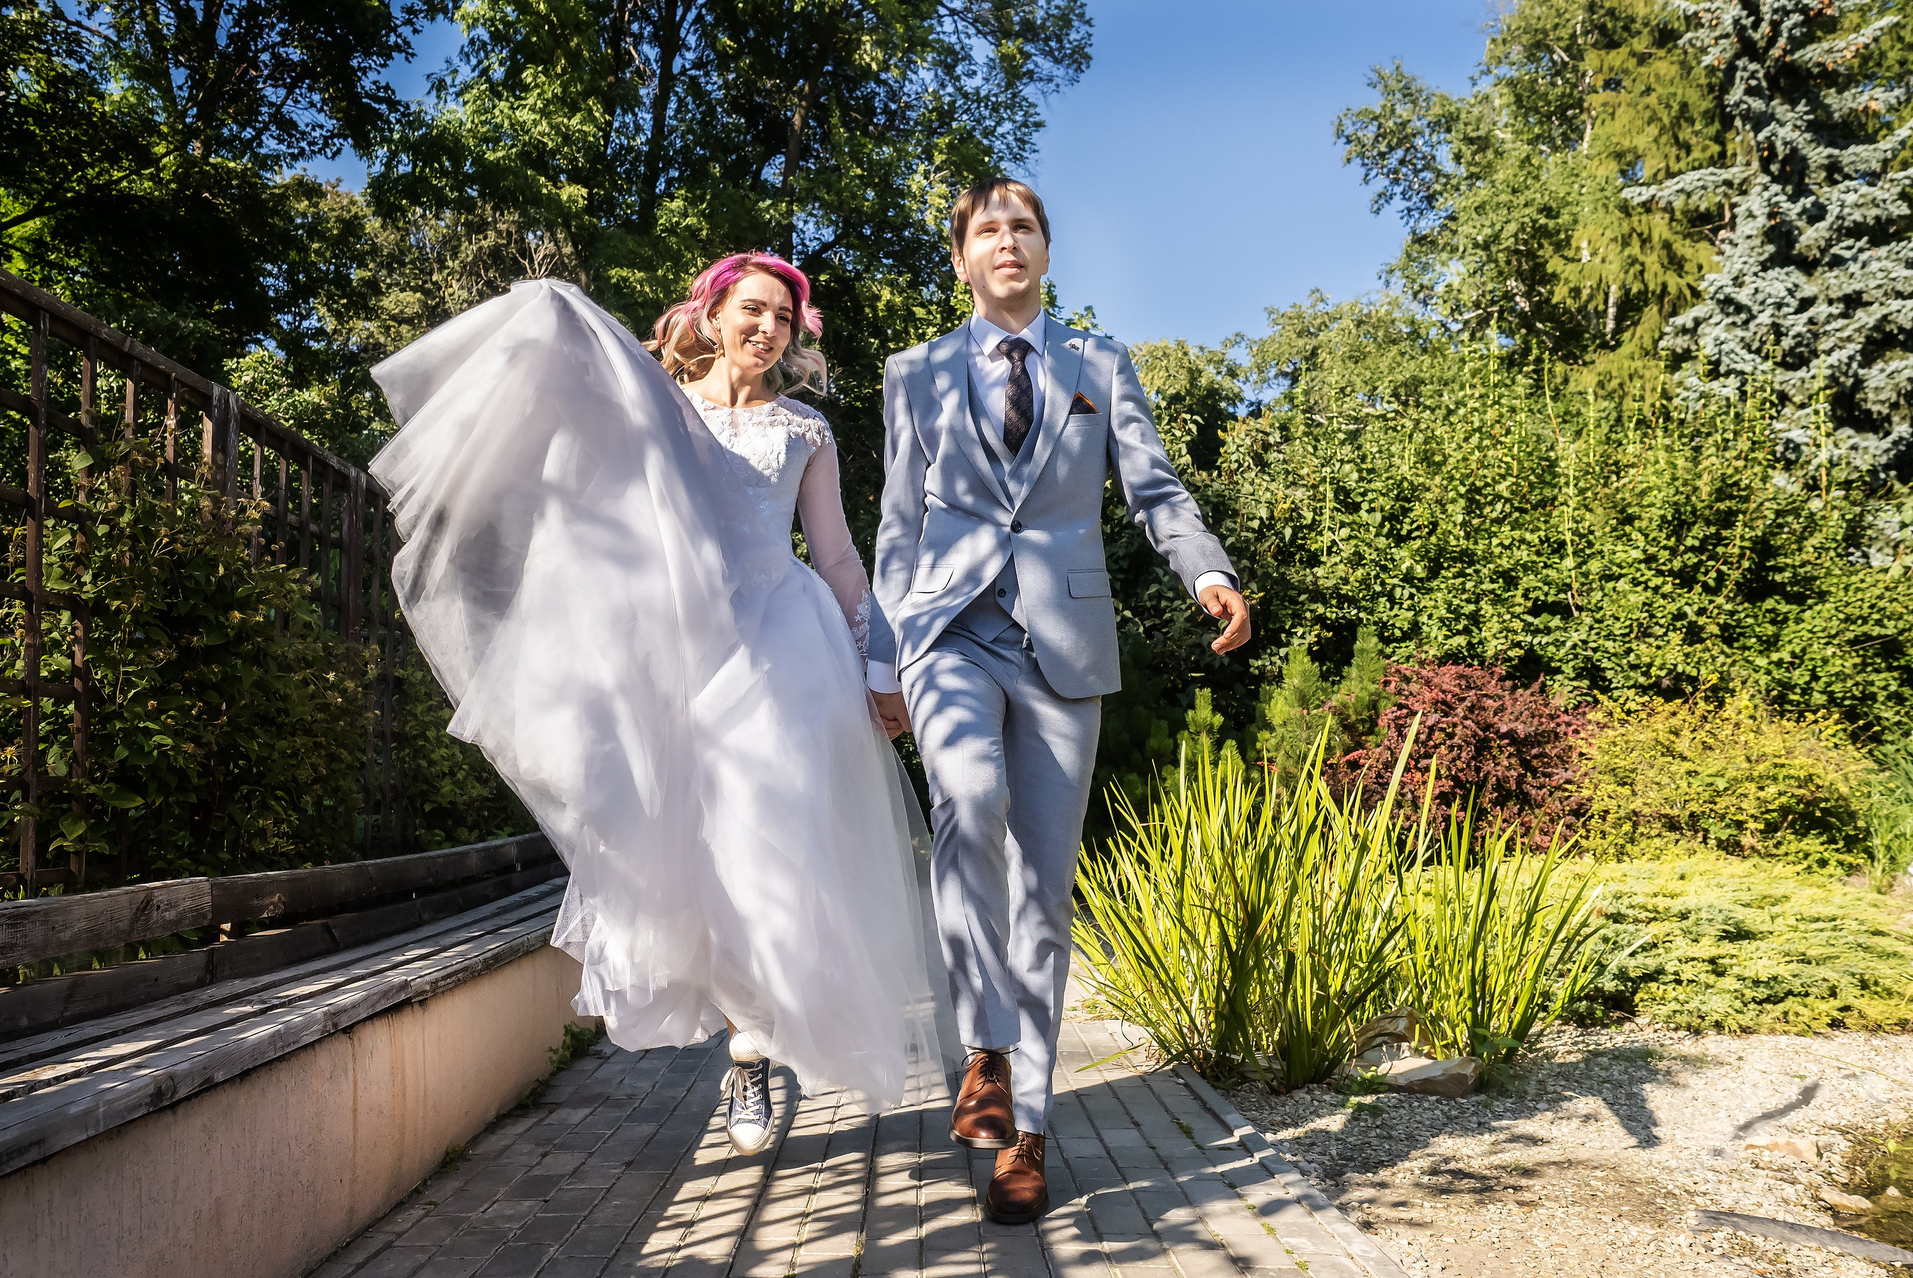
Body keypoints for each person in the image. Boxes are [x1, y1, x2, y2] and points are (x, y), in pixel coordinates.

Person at [368, 255, 939, 1161]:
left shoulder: (806, 431)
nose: (767, 328)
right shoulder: (664, 408)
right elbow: (586, 479)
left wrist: (879, 660)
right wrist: (558, 316)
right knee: (686, 851)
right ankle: (742, 1040)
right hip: (676, 649)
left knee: (769, 840)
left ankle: (751, 1045)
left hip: (783, 650)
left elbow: (834, 556)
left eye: (783, 318)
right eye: (752, 309)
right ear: (712, 315)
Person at [866, 178, 1251, 1224]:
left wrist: (1206, 571)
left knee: (1043, 890)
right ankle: (984, 1051)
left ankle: (1027, 1131)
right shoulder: (915, 372)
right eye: (988, 230)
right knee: (967, 802)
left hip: (1063, 650)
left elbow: (1155, 489)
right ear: (961, 258)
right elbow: (898, 521)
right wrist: (880, 659)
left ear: (1045, 251)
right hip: (948, 631)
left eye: (1024, 227)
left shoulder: (1100, 365)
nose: (1008, 242)